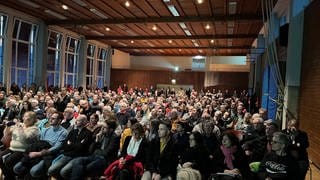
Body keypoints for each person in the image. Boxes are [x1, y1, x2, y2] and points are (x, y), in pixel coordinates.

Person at [13, 111, 68, 179]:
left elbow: (57, 147)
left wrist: (39, 153)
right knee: (17, 168)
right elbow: (39, 142)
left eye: (53, 118)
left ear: (59, 120)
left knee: (34, 171)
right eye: (50, 118)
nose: (50, 119)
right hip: (39, 149)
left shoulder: (63, 132)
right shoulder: (46, 129)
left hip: (49, 153)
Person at [47, 114, 92, 179]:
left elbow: (81, 147)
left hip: (78, 156)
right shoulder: (73, 131)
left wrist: (71, 144)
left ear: (84, 122)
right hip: (67, 154)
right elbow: (65, 145)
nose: (76, 122)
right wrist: (76, 144)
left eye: (78, 120)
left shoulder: (88, 133)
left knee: (64, 171)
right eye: (76, 120)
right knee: (51, 170)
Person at [0, 111, 40, 180]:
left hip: (23, 150)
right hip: (12, 148)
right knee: (0, 158)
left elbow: (25, 138)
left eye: (26, 117)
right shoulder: (21, 125)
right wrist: (7, 126)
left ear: (32, 119)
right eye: (24, 116)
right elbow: (6, 134)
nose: (24, 118)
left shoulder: (35, 129)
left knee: (8, 161)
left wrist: (20, 129)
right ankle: (9, 177)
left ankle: (11, 177)